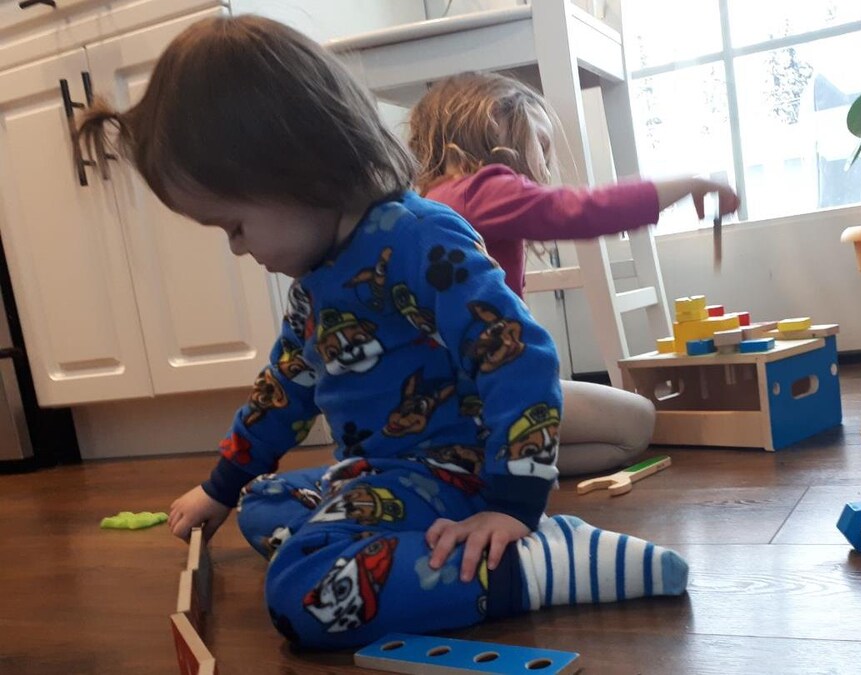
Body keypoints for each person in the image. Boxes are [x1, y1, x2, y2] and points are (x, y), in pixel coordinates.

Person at [77, 15, 686, 650]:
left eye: (234, 226)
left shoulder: (420, 237)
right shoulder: (315, 281)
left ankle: (526, 568)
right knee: (263, 505)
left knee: (300, 593)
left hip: (458, 473)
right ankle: (398, 552)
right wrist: (220, 487)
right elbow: (283, 389)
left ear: (299, 169)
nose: (236, 249)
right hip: (382, 469)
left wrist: (511, 505)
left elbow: (519, 356)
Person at [409, 71, 740, 476]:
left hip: (434, 402)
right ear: (499, 129)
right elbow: (583, 210)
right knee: (636, 424)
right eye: (542, 146)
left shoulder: (428, 198)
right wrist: (690, 184)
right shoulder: (482, 190)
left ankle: (467, 464)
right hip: (483, 400)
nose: (545, 167)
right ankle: (485, 467)